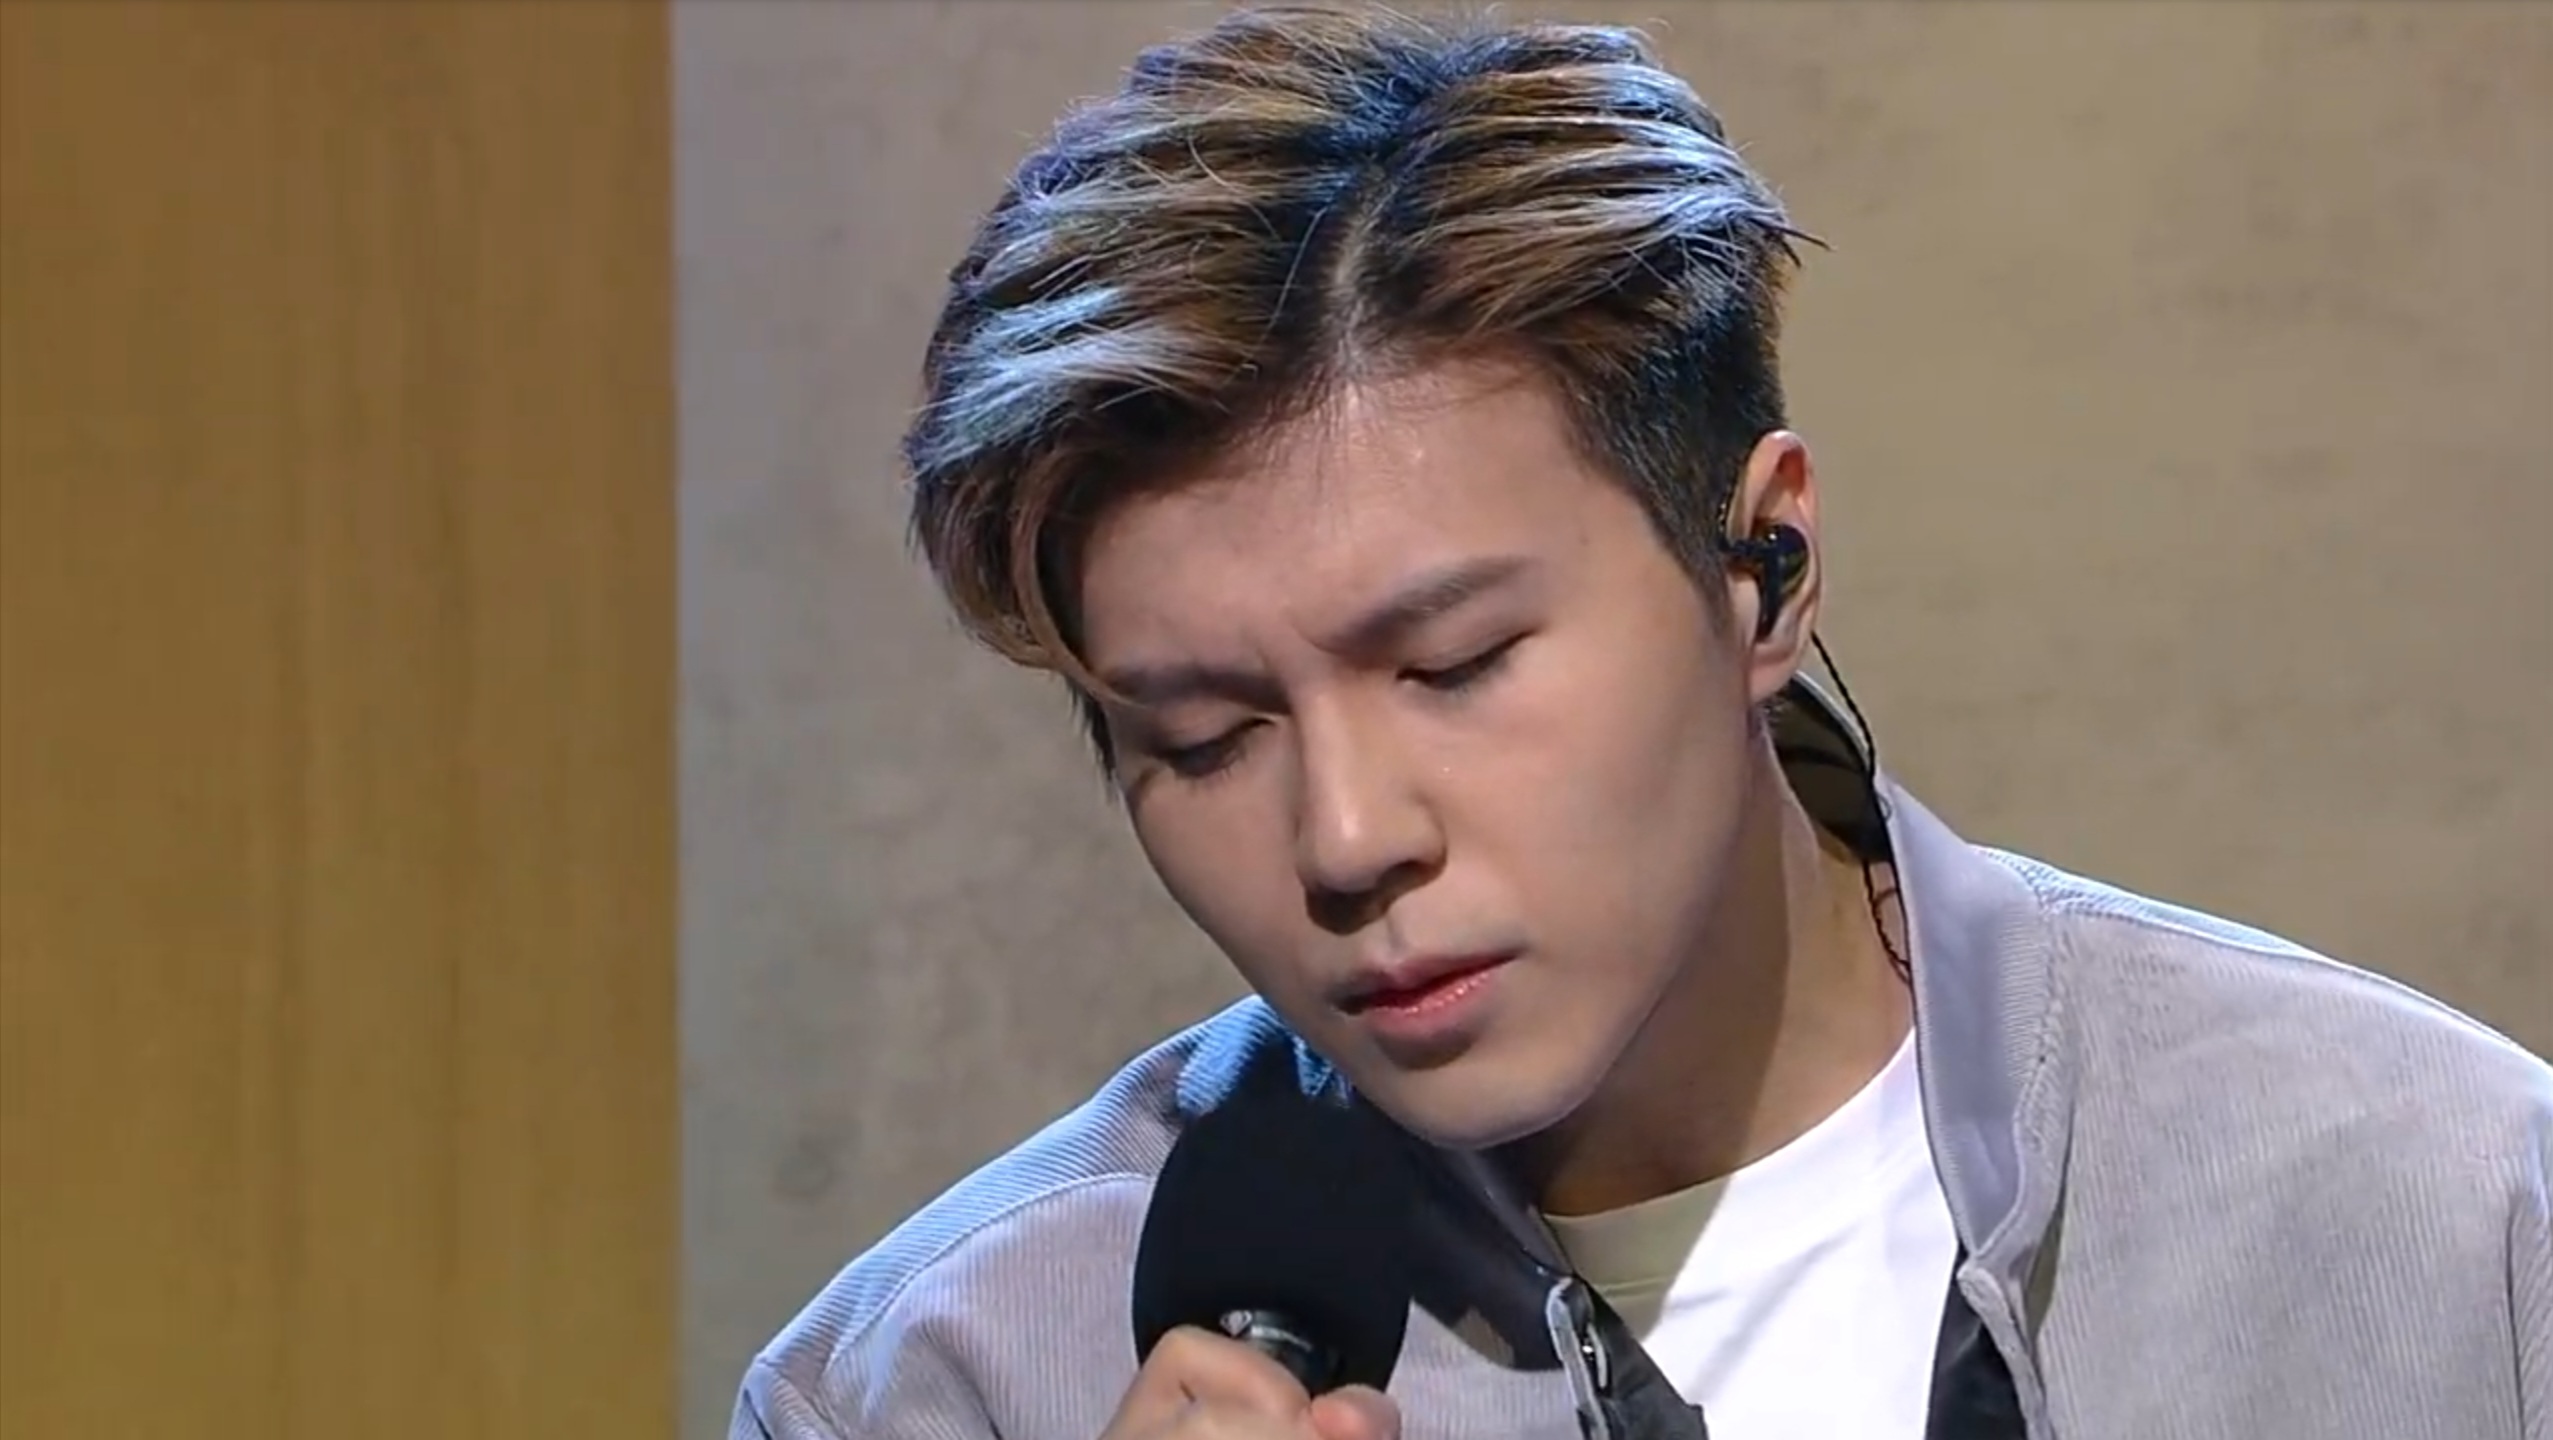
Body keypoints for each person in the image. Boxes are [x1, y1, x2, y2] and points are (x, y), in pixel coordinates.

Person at [732, 6, 2551, 1438]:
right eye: (1204, 738)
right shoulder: (945, 1382)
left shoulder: (2444, 1205)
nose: (1348, 839)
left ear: (1763, 566)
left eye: (1456, 664)